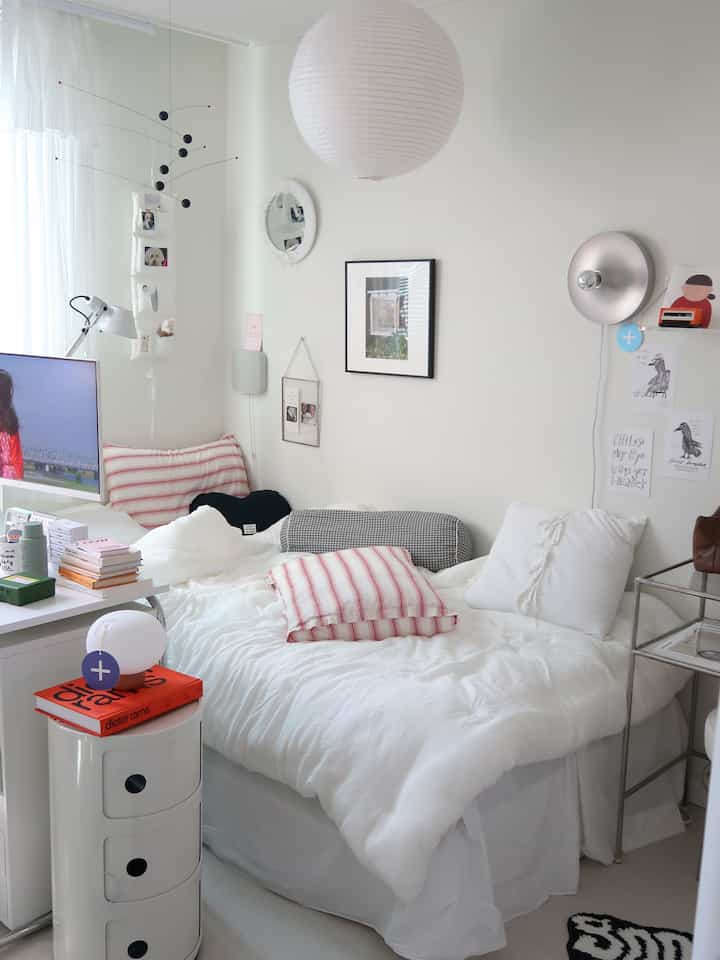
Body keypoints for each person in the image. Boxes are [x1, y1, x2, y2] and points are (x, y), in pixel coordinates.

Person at [0, 370, 23, 480]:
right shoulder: (10, 422)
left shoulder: (10, 423)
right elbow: (16, 457)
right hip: (9, 477)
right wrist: (20, 482)